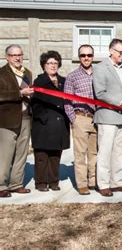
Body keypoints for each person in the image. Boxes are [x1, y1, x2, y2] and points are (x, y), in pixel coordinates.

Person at [93, 39, 122, 197]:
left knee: (119, 152)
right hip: (107, 117)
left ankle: (116, 181)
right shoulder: (101, 68)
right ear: (111, 51)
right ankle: (103, 184)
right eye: (120, 52)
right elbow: (100, 93)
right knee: (105, 152)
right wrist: (119, 103)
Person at [31, 51, 70, 192]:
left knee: (55, 155)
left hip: (60, 123)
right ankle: (41, 182)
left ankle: (54, 181)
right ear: (43, 65)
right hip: (44, 123)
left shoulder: (64, 81)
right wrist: (44, 117)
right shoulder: (39, 81)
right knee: (42, 155)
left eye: (55, 63)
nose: (53, 66)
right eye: (49, 63)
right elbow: (34, 103)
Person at [0, 45, 34, 198]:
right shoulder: (2, 73)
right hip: (7, 119)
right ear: (7, 57)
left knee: (22, 153)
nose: (17, 58)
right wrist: (20, 93)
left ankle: (16, 183)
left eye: (19, 54)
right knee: (5, 154)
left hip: (26, 117)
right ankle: (1, 185)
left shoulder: (27, 73)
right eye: (13, 55)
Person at [64, 44, 97, 195]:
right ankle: (82, 184)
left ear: (93, 57)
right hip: (81, 118)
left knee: (94, 153)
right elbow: (67, 101)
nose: (86, 58)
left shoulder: (99, 74)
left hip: (96, 119)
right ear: (79, 58)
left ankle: (93, 181)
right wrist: (74, 119)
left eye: (89, 55)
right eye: (83, 55)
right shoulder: (72, 76)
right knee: (80, 154)